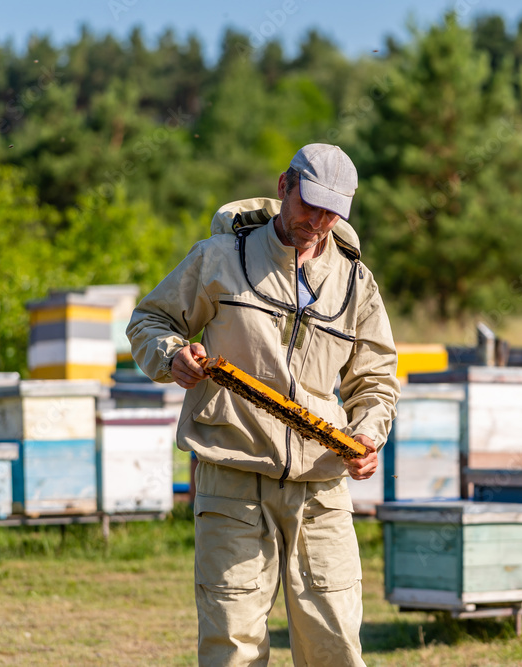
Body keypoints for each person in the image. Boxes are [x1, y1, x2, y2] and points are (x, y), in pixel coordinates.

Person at [127, 143, 400, 666]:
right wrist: (173, 356)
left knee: (335, 645)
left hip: (321, 487)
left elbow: (376, 378)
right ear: (284, 187)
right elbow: (149, 322)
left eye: (330, 213)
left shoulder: (356, 283)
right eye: (308, 205)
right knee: (233, 646)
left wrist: (369, 434)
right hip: (231, 478)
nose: (316, 222)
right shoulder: (218, 259)